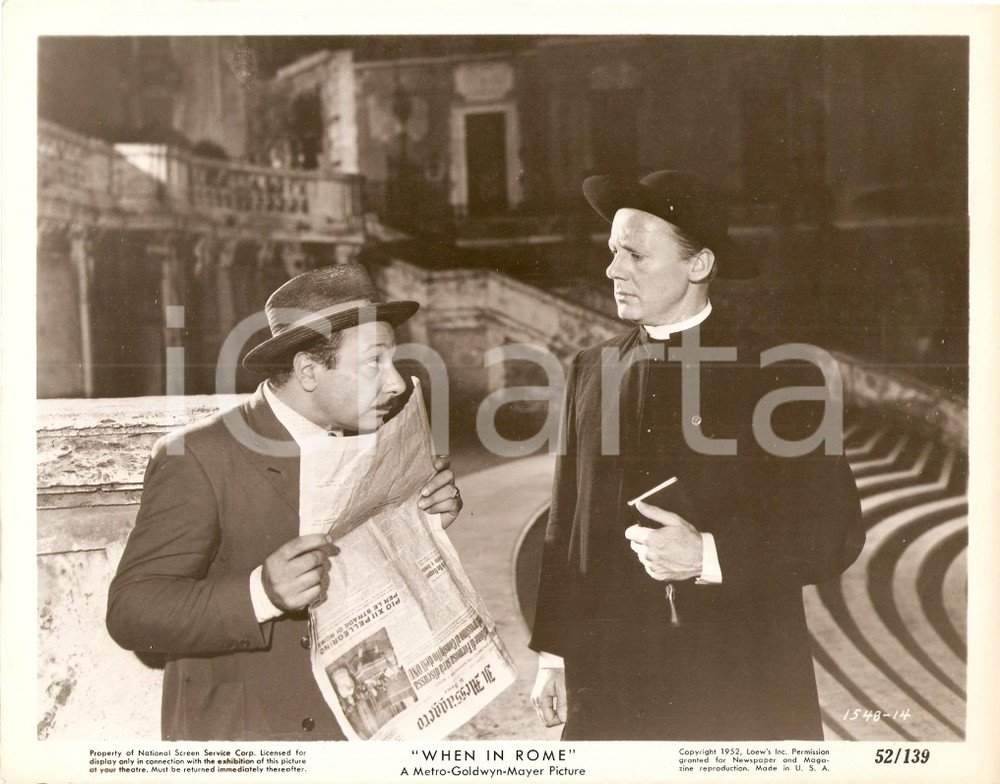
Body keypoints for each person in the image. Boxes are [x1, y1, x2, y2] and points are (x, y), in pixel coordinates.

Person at [529, 170, 865, 740]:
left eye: (635, 255)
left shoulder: (780, 374)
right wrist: (554, 656)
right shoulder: (591, 369)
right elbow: (566, 524)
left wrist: (707, 555)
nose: (612, 270)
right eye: (613, 252)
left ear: (699, 265)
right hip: (610, 684)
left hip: (735, 683)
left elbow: (835, 532)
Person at [107, 263, 462, 741]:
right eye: (373, 363)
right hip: (249, 744)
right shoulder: (200, 455)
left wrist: (422, 522)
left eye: (393, 360)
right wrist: (261, 594)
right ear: (308, 371)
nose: (396, 383)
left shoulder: (372, 442)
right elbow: (131, 610)